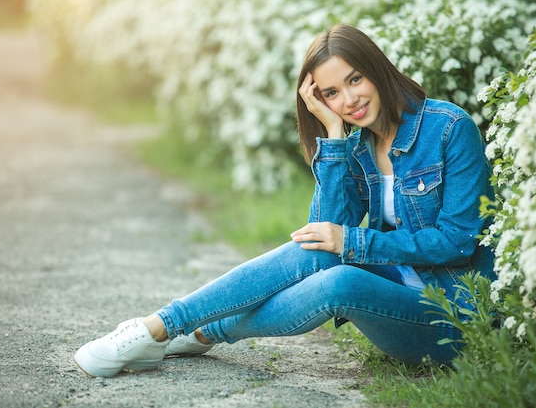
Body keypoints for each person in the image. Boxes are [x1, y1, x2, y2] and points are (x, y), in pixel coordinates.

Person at [74, 24, 495, 378]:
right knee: (321, 249)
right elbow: (322, 234)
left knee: (340, 279)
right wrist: (333, 138)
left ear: (377, 70)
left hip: (450, 318)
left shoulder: (448, 129)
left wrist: (354, 243)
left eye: (354, 80)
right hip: (397, 290)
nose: (349, 100)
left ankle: (189, 331)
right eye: (331, 94)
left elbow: (457, 242)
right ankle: (164, 326)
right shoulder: (360, 145)